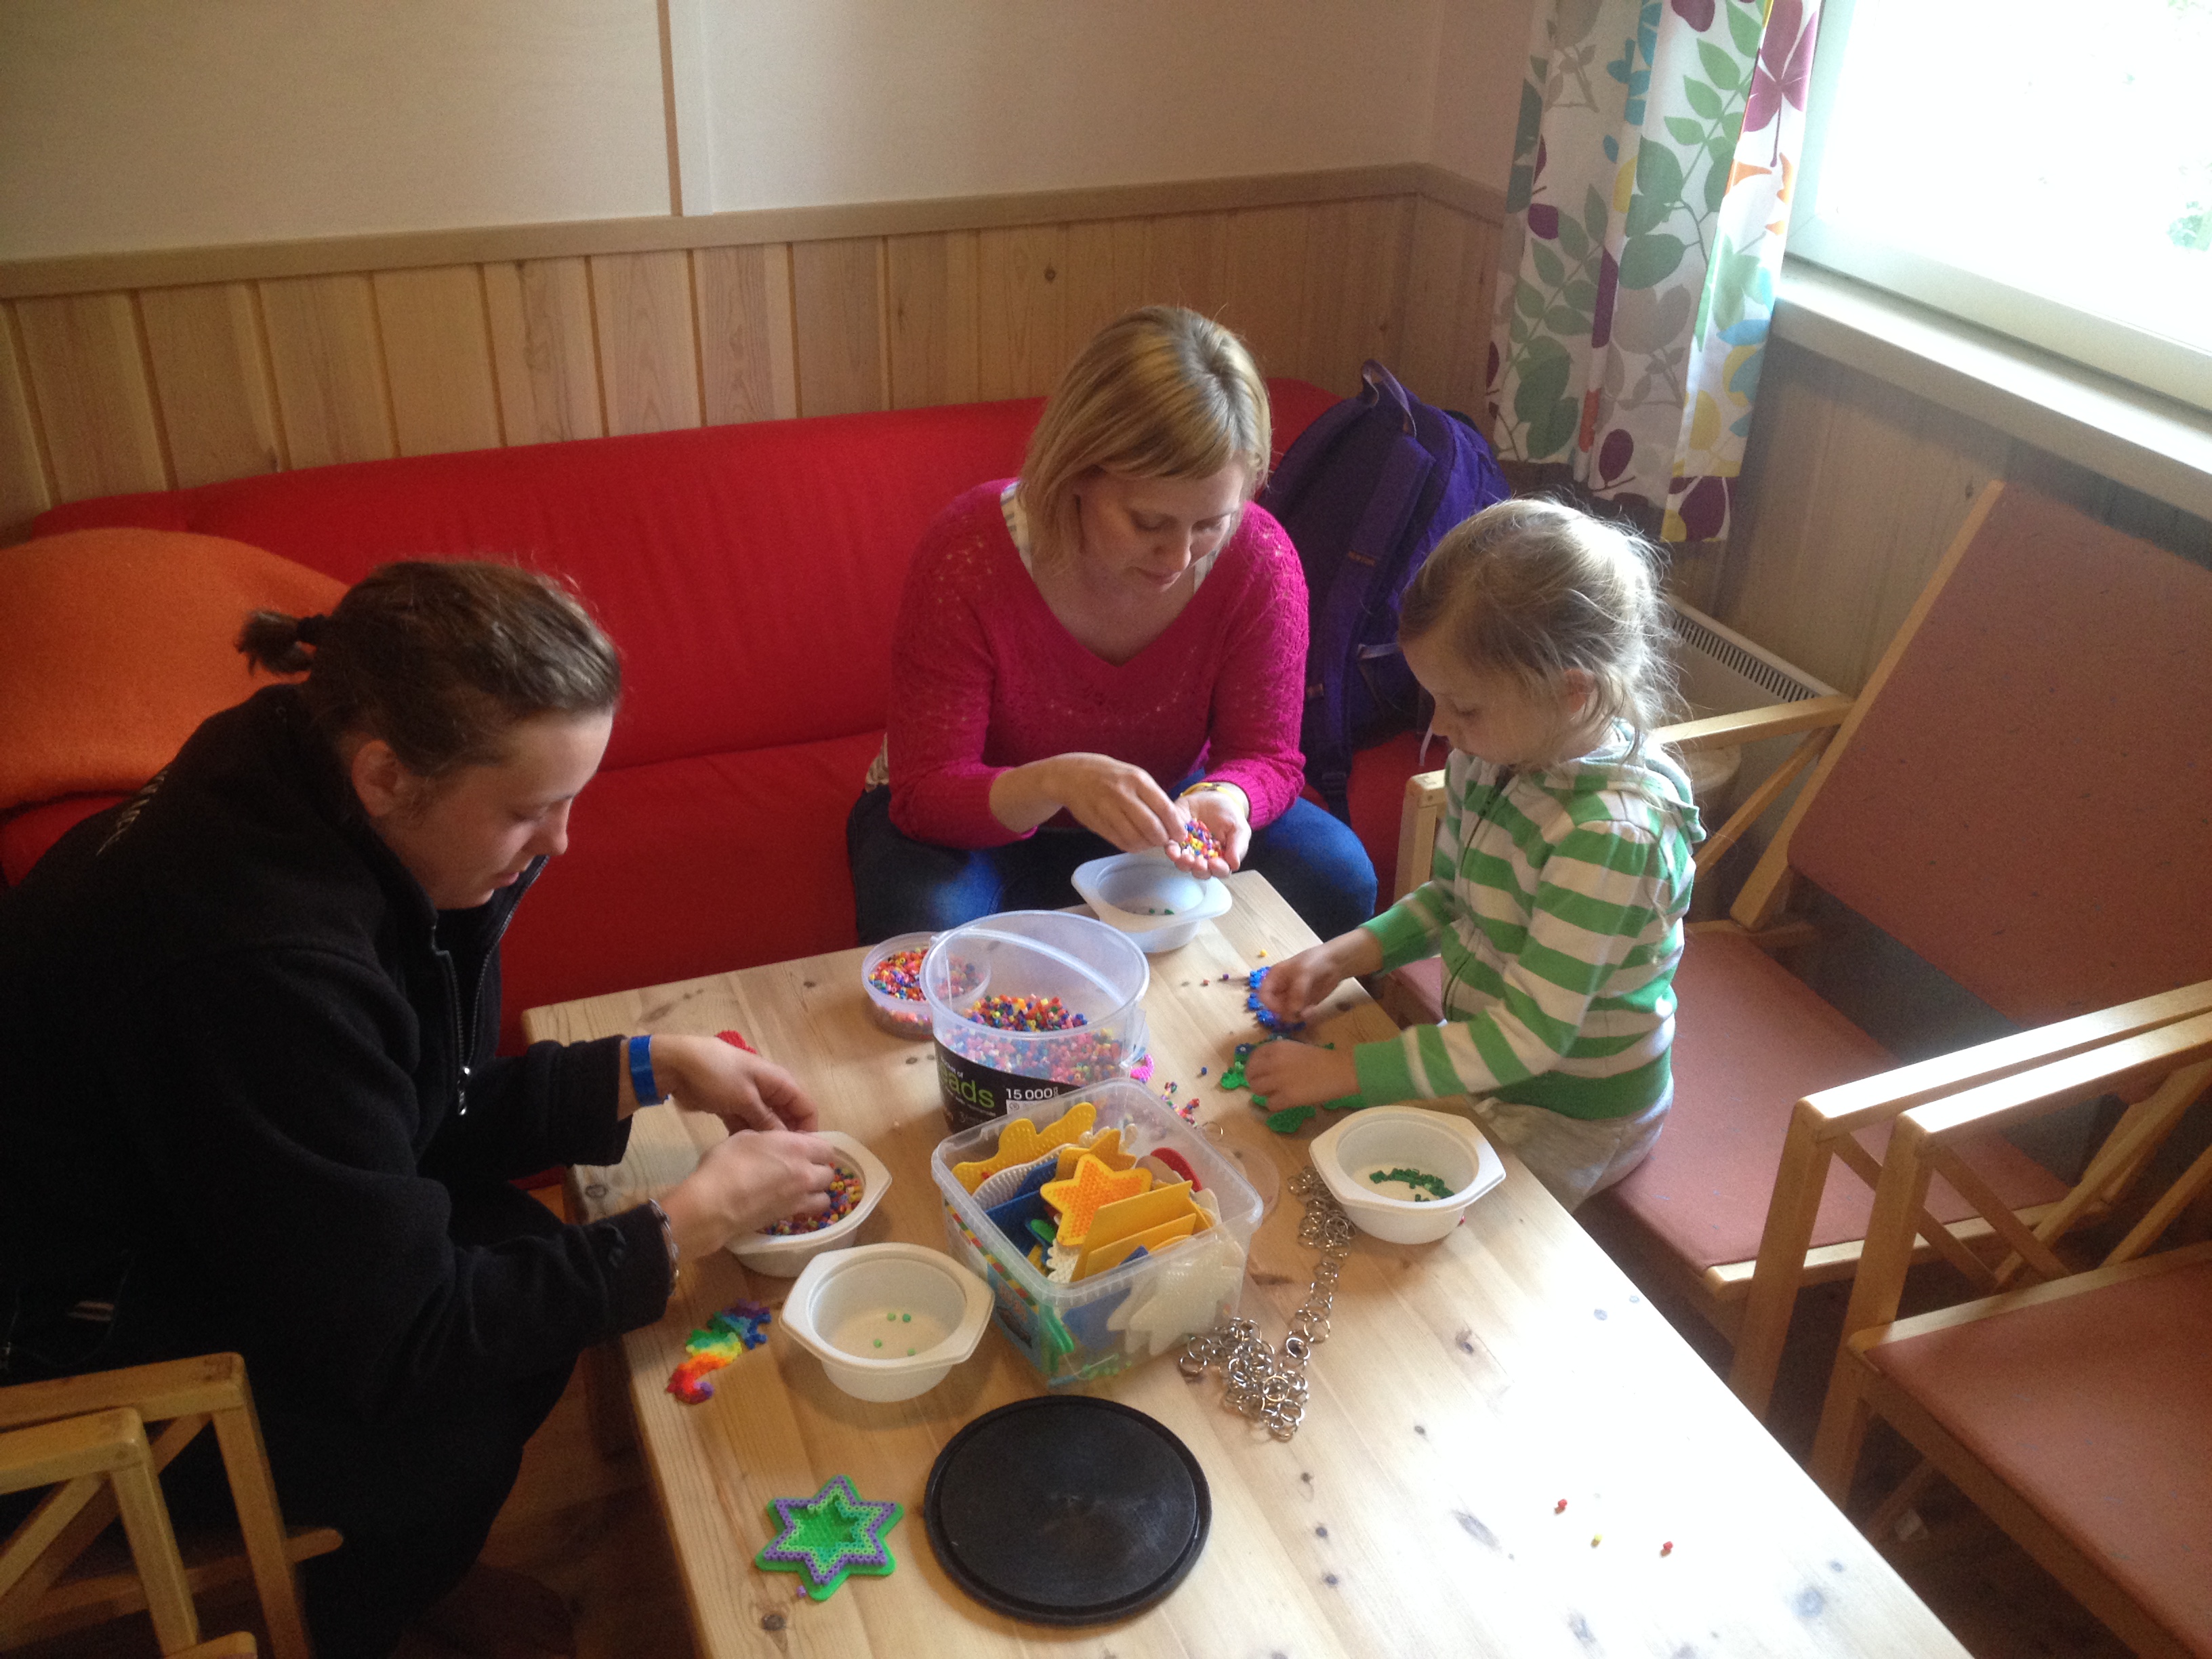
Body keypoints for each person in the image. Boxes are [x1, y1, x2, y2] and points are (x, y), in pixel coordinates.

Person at [0, 562, 840, 1659]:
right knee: (466, 1409)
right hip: (65, 1335)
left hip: (196, 1199)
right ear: (387, 775)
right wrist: (681, 1225)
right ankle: (364, 1618)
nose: (561, 843)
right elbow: (405, 1337)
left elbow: (396, 1107)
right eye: (527, 811)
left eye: (570, 801)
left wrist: (645, 1066)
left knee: (518, 1253)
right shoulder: (262, 963)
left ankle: (410, 1564)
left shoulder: (303, 763)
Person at [846, 304, 1376, 944]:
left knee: (1337, 875)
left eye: (1212, 523)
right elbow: (925, 795)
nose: (1179, 558)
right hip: (981, 816)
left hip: (1162, 807)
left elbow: (1267, 756)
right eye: (1149, 522)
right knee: (920, 922)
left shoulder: (1259, 559)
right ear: (1077, 473)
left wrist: (1227, 796)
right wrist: (1057, 781)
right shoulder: (971, 552)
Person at [1247, 499, 1704, 1210]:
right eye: (1436, 699)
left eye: (1464, 707)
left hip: (1571, 1111)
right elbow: (1453, 897)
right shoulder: (1493, 756)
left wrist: (1346, 1070)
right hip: (1494, 1057)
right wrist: (1346, 955)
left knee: (1435, 1240)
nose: (1442, 727)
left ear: (1572, 694)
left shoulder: (1609, 838)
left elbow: (1529, 1037)